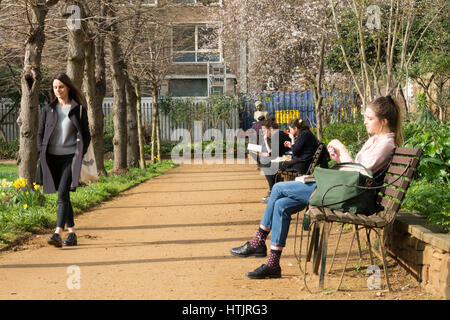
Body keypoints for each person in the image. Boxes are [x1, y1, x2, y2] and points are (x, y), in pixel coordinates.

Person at [230, 95, 403, 279]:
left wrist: (342, 149)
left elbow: (360, 173)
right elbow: (356, 169)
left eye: (369, 118)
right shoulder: (376, 140)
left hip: (348, 195)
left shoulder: (385, 143)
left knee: (279, 190)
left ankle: (258, 241)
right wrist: (339, 158)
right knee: (281, 206)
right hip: (344, 189)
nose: (365, 121)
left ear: (383, 121)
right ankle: (273, 264)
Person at [37, 73, 91, 248]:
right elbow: (40, 134)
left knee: (62, 194)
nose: (58, 90)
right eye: (55, 87)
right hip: (51, 158)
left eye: (61, 86)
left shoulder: (79, 109)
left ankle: (57, 232)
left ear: (68, 87)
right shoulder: (47, 109)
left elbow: (86, 135)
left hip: (70, 158)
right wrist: (40, 151)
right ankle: (72, 233)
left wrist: (79, 154)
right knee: (64, 195)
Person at [256, 118, 291, 203]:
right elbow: (272, 153)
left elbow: (272, 154)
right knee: (265, 160)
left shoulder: (277, 135)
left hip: (290, 160)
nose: (263, 133)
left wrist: (263, 150)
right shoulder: (277, 135)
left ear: (271, 128)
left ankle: (273, 192)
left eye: (264, 130)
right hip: (287, 158)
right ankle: (273, 191)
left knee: (265, 162)